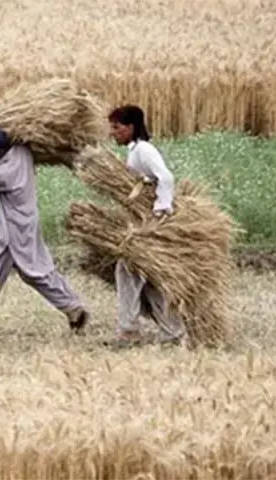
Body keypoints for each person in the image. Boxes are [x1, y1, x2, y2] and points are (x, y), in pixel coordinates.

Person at [0, 124, 90, 336]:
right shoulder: (21, 150)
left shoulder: (5, 173)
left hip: (12, 230)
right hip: (20, 223)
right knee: (30, 272)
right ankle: (73, 309)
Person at [105, 104, 186, 348]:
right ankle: (172, 331)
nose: (113, 133)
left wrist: (161, 209)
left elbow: (166, 177)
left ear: (131, 127)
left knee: (127, 269)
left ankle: (129, 330)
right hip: (143, 220)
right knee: (147, 276)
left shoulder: (143, 150)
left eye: (117, 127)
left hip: (149, 223)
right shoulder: (135, 151)